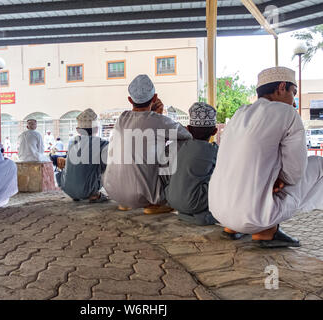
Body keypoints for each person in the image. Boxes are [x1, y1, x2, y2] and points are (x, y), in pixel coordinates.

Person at [209, 66, 323, 248]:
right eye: (293, 93)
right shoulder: (287, 113)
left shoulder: (240, 113)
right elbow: (295, 173)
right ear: (281, 87)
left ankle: (232, 228)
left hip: (219, 211)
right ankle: (266, 232)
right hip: (256, 216)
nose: (294, 102)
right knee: (318, 164)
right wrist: (278, 180)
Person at [103, 74, 192, 214]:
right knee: (182, 145)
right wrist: (159, 115)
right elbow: (187, 135)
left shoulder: (121, 118)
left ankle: (125, 202)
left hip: (114, 192)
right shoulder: (159, 120)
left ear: (130, 100)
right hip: (144, 195)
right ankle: (155, 204)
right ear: (155, 98)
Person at [165, 102, 219, 226]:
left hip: (171, 199)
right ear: (215, 131)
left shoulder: (181, 147)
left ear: (188, 129)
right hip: (193, 203)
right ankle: (205, 216)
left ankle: (187, 213)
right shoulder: (213, 151)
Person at [56, 108, 109, 203]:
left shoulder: (72, 141)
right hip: (87, 190)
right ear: (97, 129)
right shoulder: (102, 143)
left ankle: (76, 193)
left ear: (77, 130)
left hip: (67, 189)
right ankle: (94, 195)